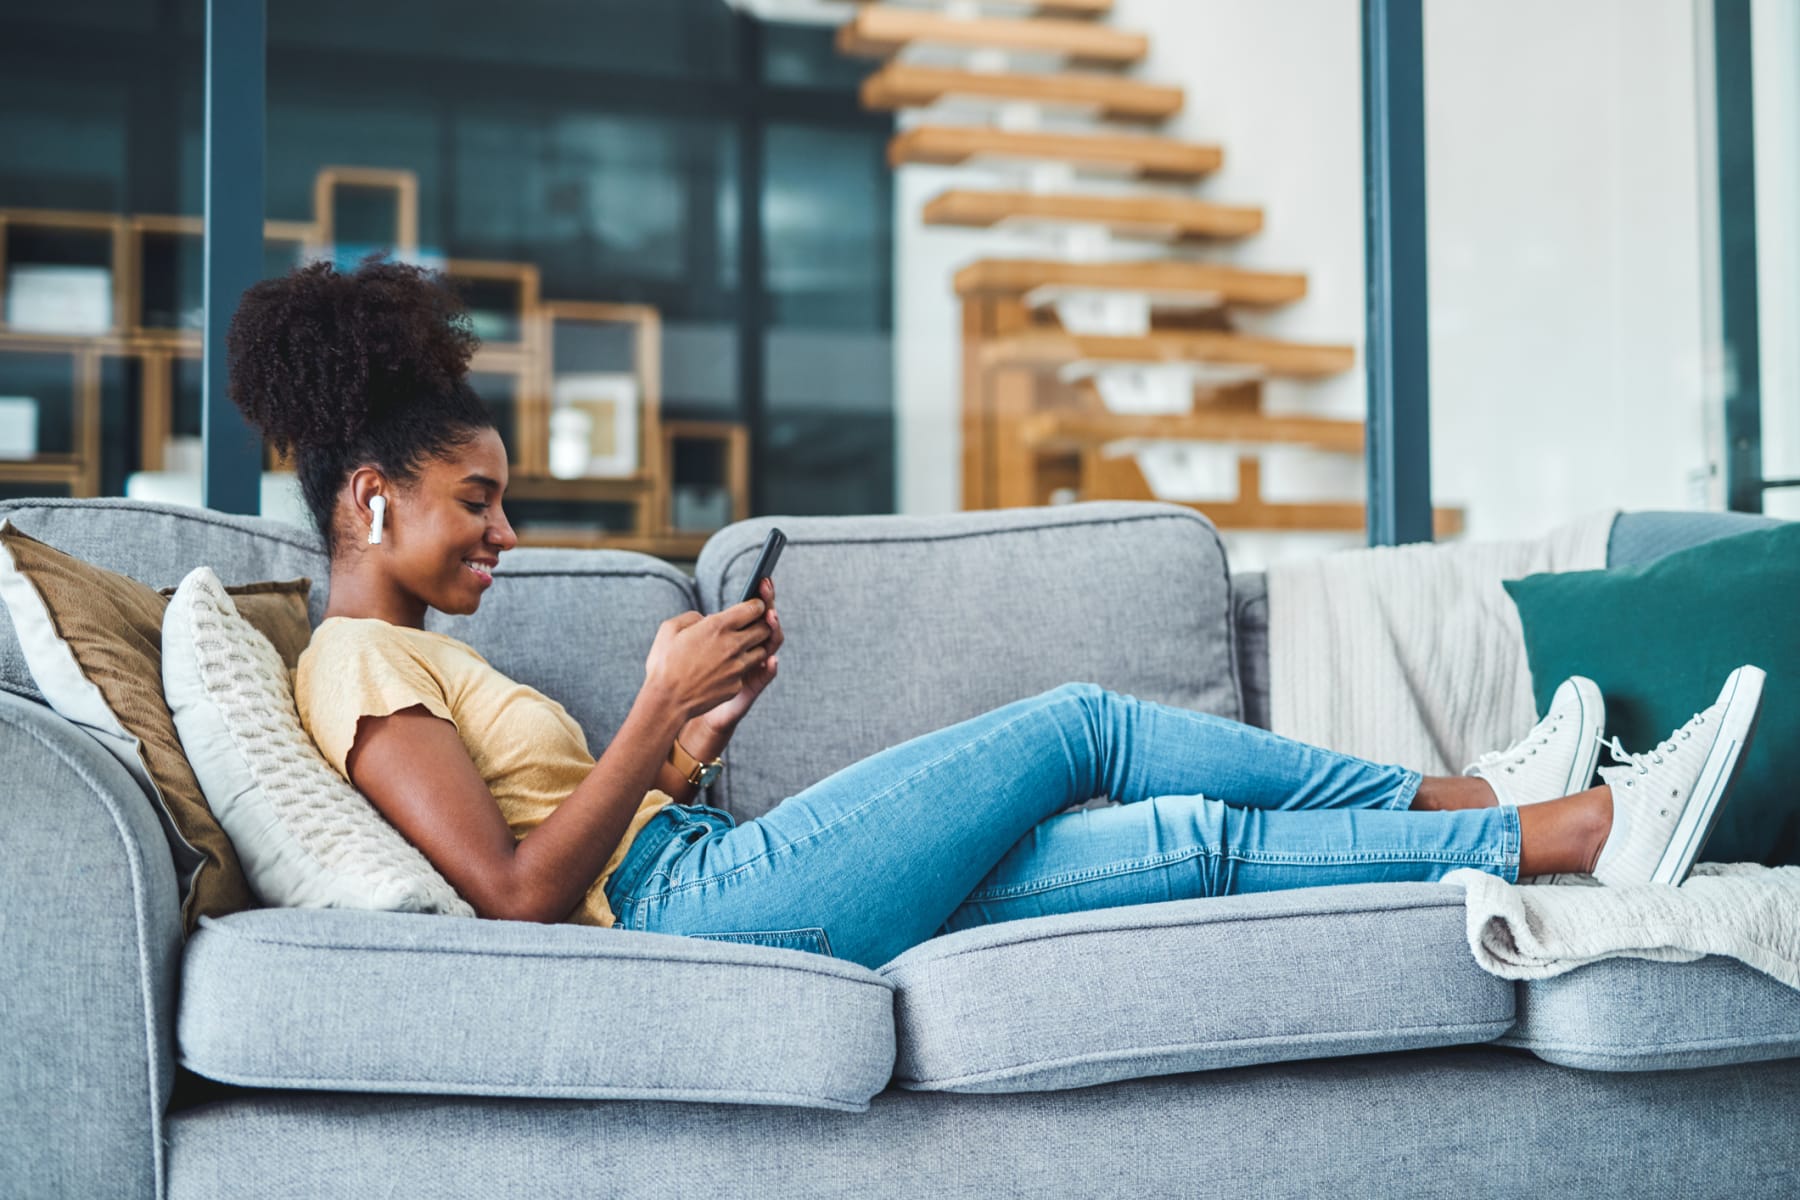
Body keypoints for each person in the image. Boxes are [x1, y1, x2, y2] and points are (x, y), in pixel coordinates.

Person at [231, 257, 1766, 973]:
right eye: (474, 501)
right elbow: (512, 899)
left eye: (501, 499)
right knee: (1080, 729)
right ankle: (1514, 813)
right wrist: (646, 712)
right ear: (371, 498)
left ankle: (1552, 831)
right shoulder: (359, 665)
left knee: (1178, 846)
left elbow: (570, 836)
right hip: (697, 914)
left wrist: (688, 743)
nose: (504, 530)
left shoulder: (416, 652)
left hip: (697, 866)